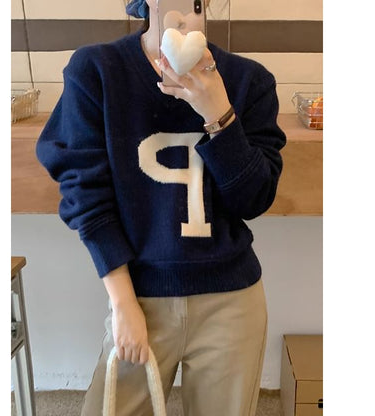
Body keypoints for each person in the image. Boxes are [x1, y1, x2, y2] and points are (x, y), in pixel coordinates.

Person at [36, 0, 286, 414]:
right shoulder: (97, 71)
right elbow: (85, 194)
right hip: (139, 294)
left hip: (231, 299)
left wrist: (219, 115)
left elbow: (254, 199)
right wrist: (123, 303)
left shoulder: (248, 80)